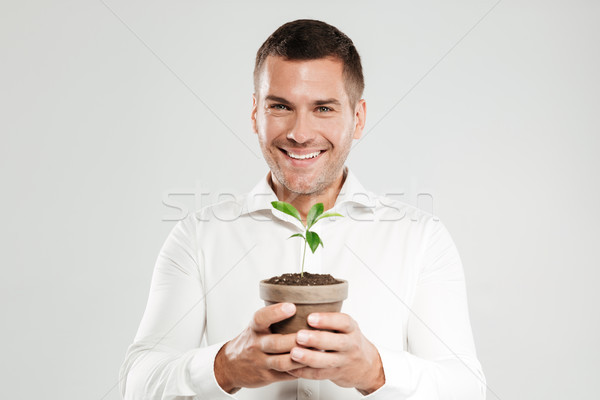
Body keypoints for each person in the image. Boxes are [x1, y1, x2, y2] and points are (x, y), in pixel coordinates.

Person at [119, 19, 486, 399]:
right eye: (280, 106)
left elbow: (468, 387)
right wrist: (224, 365)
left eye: (324, 108)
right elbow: (137, 383)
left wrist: (374, 369)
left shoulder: (420, 237)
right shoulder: (199, 235)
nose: (300, 132)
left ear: (357, 118)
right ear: (255, 115)